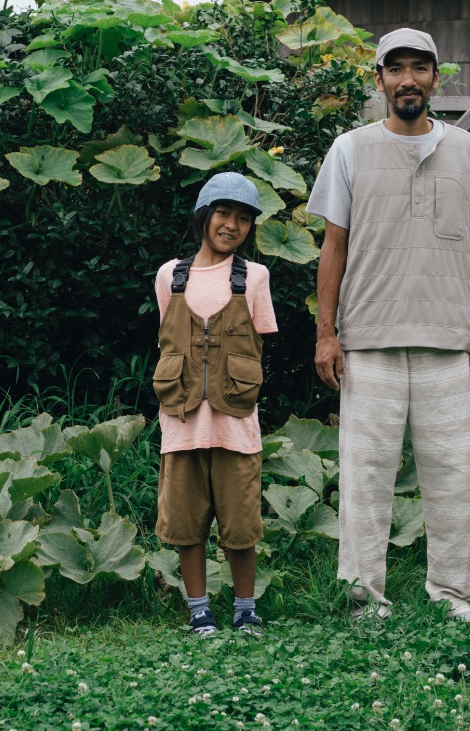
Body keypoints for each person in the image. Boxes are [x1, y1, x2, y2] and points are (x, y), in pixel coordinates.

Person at [307, 26, 470, 621]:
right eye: (396, 69)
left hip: (446, 340)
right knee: (366, 478)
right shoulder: (348, 149)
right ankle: (364, 595)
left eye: (420, 68)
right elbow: (332, 246)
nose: (408, 79)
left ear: (436, 77)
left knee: (453, 475)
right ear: (380, 79)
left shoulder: (465, 149)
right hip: (369, 340)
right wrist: (326, 332)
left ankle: (455, 592)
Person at [151, 171, 278, 636]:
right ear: (205, 215)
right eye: (223, 213)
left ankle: (246, 608)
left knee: (241, 525)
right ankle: (199, 609)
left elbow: (258, 342)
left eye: (243, 218)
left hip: (237, 426)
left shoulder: (255, 277)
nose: (232, 225)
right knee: (185, 524)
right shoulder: (171, 275)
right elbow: (171, 333)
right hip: (181, 423)